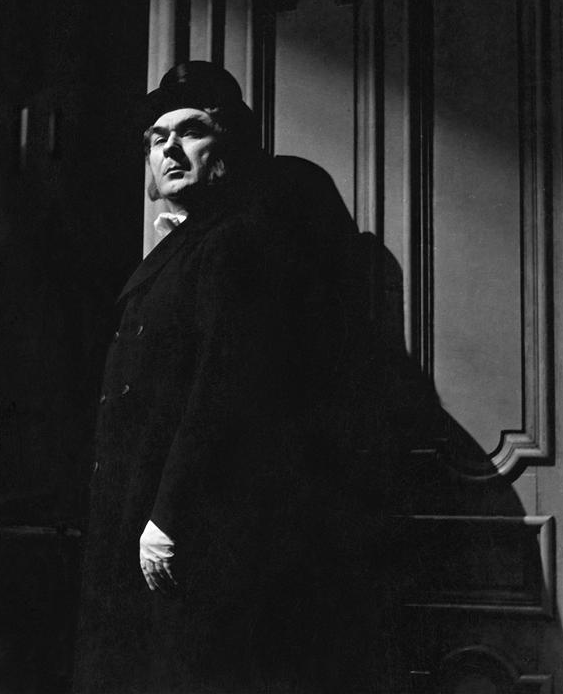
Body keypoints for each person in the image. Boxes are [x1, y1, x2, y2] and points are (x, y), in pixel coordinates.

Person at [73, 62, 405, 694]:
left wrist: (168, 519)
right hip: (136, 506)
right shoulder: (184, 246)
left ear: (226, 149)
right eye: (157, 138)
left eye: (191, 131)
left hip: (188, 523)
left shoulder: (235, 242)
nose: (170, 150)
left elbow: (222, 391)